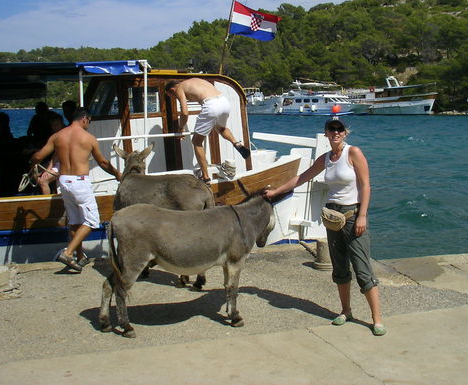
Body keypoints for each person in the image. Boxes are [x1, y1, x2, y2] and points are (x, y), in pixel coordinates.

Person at [263, 118, 386, 336]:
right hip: (332, 216)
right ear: (326, 134)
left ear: (345, 133)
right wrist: (276, 192)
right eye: (332, 130)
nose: (336, 133)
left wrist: (362, 215)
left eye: (339, 130)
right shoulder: (326, 158)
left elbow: (366, 185)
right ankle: (346, 311)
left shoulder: (353, 153)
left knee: (362, 269)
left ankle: (376, 319)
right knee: (339, 267)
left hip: (352, 215)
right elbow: (302, 177)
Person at [30, 107, 121, 271]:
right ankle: (68, 252)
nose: (88, 125)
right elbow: (103, 162)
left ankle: (80, 257)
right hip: (80, 181)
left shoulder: (57, 136)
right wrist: (117, 174)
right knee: (92, 221)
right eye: (89, 122)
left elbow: (37, 157)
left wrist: (32, 165)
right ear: (85, 119)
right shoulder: (89, 138)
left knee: (74, 221)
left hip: (64, 181)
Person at [165, 78, 250, 184]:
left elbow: (184, 113)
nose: (174, 97)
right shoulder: (194, 80)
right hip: (224, 102)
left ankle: (205, 177)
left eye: (172, 96)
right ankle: (236, 143)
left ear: (172, 90)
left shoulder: (179, 88)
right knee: (221, 128)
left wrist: (180, 128)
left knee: (196, 142)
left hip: (211, 105)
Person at [36, 112, 66, 195]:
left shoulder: (61, 135)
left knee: (43, 181)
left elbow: (56, 155)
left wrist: (49, 169)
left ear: (62, 123)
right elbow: (55, 155)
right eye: (53, 125)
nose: (55, 127)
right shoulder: (57, 135)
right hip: (60, 162)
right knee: (35, 174)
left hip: (65, 164)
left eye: (57, 124)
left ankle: (47, 205)